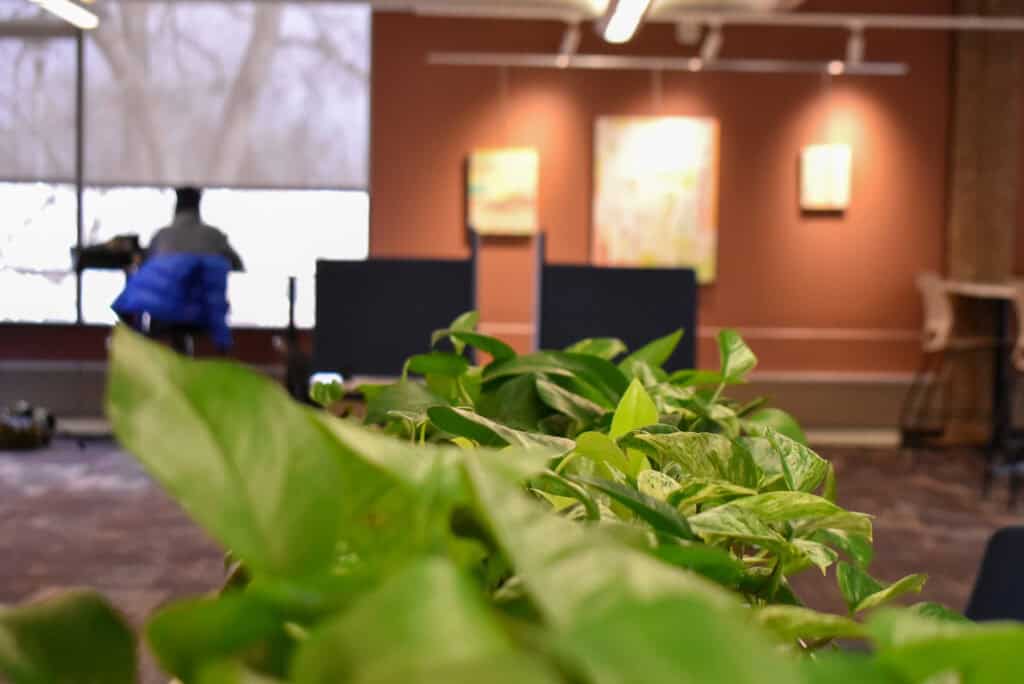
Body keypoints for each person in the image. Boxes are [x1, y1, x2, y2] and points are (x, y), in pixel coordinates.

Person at [148, 186, 244, 271]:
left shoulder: (161, 236)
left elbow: (144, 265)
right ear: (197, 206)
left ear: (176, 208)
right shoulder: (214, 236)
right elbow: (238, 266)